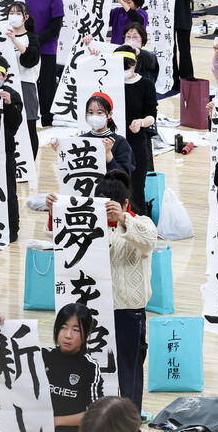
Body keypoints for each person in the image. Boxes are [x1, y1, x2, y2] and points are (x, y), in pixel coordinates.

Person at [46, 170, 158, 413]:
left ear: (126, 204)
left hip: (128, 311)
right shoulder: (87, 224)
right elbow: (58, 240)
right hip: (93, 310)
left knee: (129, 371)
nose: (106, 211)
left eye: (112, 206)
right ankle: (94, 420)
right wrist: (56, 210)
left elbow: (150, 240)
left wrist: (123, 219)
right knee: (91, 367)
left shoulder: (141, 222)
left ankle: (129, 422)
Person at [40, 303, 104, 432]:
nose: (68, 335)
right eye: (63, 327)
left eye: (76, 330)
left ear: (86, 336)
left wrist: (56, 421)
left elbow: (96, 413)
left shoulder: (90, 367)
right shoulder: (42, 356)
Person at [112, 46, 157, 213]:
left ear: (135, 63)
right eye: (119, 66)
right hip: (112, 144)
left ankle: (140, 230)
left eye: (127, 66)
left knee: (136, 192)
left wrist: (141, 122)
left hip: (136, 144)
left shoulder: (145, 84)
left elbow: (152, 115)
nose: (124, 70)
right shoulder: (108, 83)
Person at [21, 0, 63, 126]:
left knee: (46, 88)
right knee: (26, 85)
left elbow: (55, 27)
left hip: (46, 49)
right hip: (26, 49)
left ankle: (47, 120)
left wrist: (36, 42)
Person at [52, 94, 135, 177]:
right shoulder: (81, 140)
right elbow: (70, 168)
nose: (94, 116)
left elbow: (125, 176)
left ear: (109, 114)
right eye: (90, 112)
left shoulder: (119, 142)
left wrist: (108, 154)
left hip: (109, 189)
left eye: (99, 112)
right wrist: (61, 149)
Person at [0, 55, 24, 242]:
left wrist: (9, 104)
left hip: (5, 152)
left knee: (8, 190)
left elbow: (17, 122)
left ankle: (12, 229)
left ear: (5, 76)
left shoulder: (12, 94)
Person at [4, 2, 40, 157]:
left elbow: (31, 59)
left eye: (18, 13)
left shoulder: (31, 37)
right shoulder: (2, 36)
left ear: (25, 17)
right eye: (11, 12)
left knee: (29, 123)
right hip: (6, 84)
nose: (14, 15)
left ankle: (30, 162)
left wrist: (15, 41)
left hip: (26, 83)